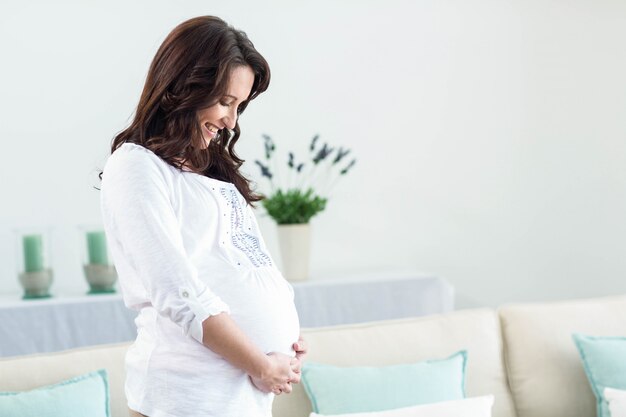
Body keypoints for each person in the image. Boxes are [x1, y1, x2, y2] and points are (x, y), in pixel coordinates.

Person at [99, 16, 306, 417]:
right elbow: (178, 290)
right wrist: (262, 364)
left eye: (240, 106)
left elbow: (244, 266)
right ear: (184, 86)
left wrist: (287, 339)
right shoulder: (136, 166)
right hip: (185, 400)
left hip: (241, 399)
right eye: (225, 101)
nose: (231, 121)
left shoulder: (212, 170)